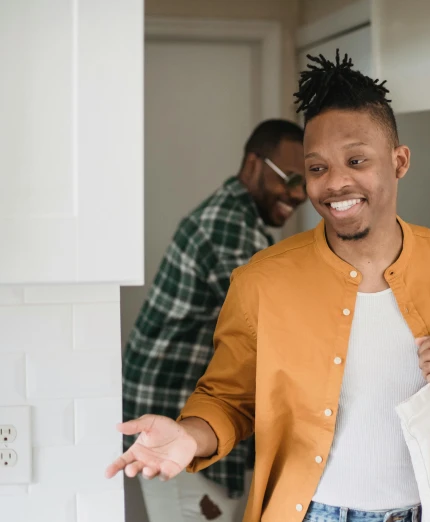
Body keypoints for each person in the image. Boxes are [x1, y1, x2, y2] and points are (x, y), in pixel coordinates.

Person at [108, 51, 430, 522]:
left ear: (399, 161)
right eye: (316, 168)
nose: (335, 183)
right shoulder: (262, 280)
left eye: (356, 160)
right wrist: (190, 435)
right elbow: (229, 399)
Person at [121, 119, 306, 522]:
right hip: (176, 407)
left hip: (175, 402)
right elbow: (273, 329)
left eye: (306, 182)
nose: (299, 194)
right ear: (254, 164)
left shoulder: (236, 216)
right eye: (290, 178)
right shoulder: (230, 227)